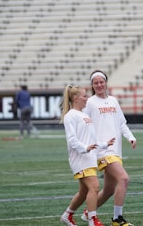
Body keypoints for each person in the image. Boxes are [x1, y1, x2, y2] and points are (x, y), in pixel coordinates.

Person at [83, 70, 136, 226]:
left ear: (105, 83)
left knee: (108, 190)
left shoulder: (113, 100)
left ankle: (88, 213)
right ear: (92, 85)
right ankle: (117, 219)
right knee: (124, 179)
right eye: (96, 83)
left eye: (101, 82)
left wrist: (131, 137)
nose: (99, 85)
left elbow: (121, 123)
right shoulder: (90, 102)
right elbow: (83, 124)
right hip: (102, 151)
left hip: (116, 151)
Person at [59, 85, 115, 226]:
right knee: (95, 187)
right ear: (76, 98)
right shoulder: (70, 116)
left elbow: (91, 139)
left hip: (89, 157)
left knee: (84, 191)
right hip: (80, 158)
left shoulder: (84, 115)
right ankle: (92, 220)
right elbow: (72, 140)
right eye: (84, 96)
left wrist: (104, 144)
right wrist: (85, 148)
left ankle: (67, 215)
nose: (87, 98)